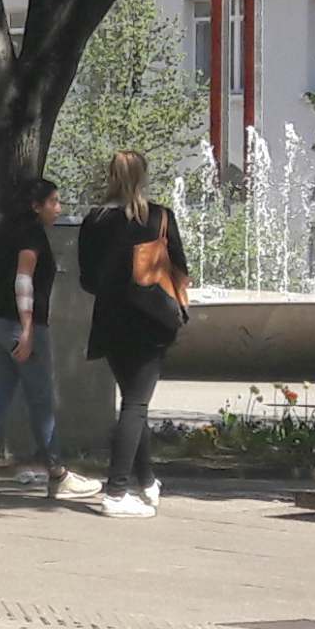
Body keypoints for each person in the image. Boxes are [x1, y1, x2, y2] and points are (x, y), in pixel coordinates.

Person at [0, 181, 104, 502]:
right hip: (18, 326)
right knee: (41, 402)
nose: (59, 208)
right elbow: (24, 281)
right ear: (36, 206)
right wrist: (26, 330)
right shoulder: (32, 236)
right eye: (54, 202)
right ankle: (57, 475)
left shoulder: (5, 229)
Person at [73, 150, 190, 517]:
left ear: (110, 176)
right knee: (136, 404)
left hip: (110, 320)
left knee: (132, 402)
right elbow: (181, 268)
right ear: (143, 177)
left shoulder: (94, 220)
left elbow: (87, 279)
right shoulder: (159, 217)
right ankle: (116, 491)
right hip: (150, 320)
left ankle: (147, 481)